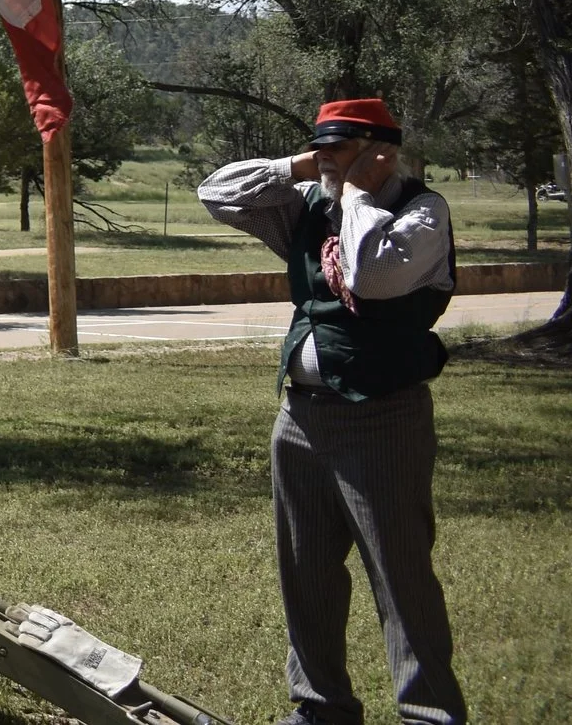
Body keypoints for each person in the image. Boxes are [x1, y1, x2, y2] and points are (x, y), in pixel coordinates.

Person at [197, 97, 467, 725]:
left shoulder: (422, 212)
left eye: (338, 146)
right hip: (301, 416)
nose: (326, 159)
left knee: (400, 577)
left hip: (383, 416)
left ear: (382, 152)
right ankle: (321, 709)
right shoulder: (311, 200)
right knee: (306, 572)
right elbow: (217, 193)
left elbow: (371, 277)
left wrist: (358, 195)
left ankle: (429, 715)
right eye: (319, 144)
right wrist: (302, 165)